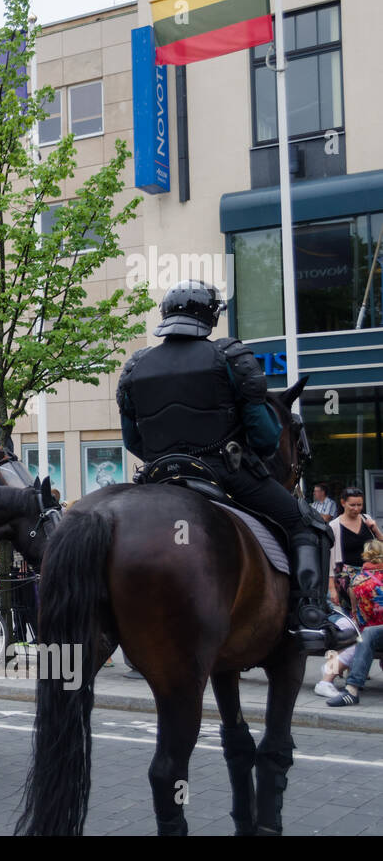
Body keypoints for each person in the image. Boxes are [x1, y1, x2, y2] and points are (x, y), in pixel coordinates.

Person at [116, 279, 338, 652]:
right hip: (224, 473)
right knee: (307, 524)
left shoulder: (136, 364)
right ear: (209, 317)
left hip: (156, 480)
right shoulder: (230, 357)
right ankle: (309, 615)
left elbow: (133, 442)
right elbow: (267, 439)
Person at [326, 539, 383, 707]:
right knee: (364, 636)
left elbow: (355, 612)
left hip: (366, 631)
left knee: (362, 635)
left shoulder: (357, 581)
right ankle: (348, 689)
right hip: (372, 635)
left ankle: (343, 686)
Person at [328, 488, 383, 608]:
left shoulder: (366, 519)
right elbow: (329, 560)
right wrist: (332, 589)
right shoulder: (334, 526)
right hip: (347, 576)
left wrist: (375, 529)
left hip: (371, 572)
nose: (356, 509)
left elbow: (381, 543)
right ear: (343, 503)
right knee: (357, 602)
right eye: (352, 505)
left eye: (360, 505)